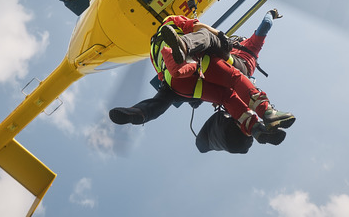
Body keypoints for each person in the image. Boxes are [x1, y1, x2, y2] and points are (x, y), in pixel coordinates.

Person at [109, 10, 294, 148]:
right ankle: (263, 117)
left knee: (166, 95)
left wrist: (269, 15)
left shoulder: (249, 46)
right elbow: (200, 29)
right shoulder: (174, 23)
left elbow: (263, 28)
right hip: (205, 68)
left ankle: (140, 112)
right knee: (231, 84)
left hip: (183, 80)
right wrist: (271, 13)